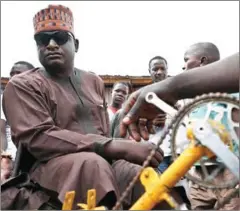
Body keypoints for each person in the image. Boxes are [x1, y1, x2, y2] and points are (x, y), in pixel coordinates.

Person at [2, 5, 165, 210]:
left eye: (60, 37)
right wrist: (112, 146)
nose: (51, 45)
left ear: (75, 44)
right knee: (91, 166)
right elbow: (40, 137)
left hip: (103, 161)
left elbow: (105, 130)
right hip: (49, 168)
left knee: (140, 174)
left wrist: (127, 144)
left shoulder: (93, 81)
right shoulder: (23, 85)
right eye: (43, 40)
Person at [119, 52, 239, 141]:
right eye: (155, 69)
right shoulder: (144, 101)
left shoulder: (185, 97)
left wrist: (176, 111)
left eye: (186, 60)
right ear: (149, 71)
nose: (183, 66)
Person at [1, 61, 35, 182]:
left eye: (19, 73)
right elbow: (1, 133)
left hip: (33, 156)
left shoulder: (41, 99)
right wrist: (4, 157)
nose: (14, 77)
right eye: (12, 74)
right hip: (9, 155)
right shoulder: (4, 98)